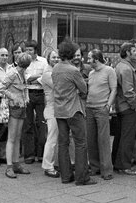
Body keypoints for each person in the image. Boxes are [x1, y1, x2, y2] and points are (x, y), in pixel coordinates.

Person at [52, 41, 96, 186]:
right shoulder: (73, 70)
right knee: (80, 143)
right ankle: (82, 177)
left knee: (63, 143)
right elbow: (83, 89)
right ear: (71, 54)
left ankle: (66, 176)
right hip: (73, 110)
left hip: (59, 110)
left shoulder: (56, 68)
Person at [0, 53, 32, 179]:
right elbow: (0, 88)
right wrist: (13, 96)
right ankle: (9, 167)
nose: (23, 69)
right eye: (23, 67)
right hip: (13, 107)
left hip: (22, 107)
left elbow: (25, 88)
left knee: (18, 137)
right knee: (12, 138)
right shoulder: (12, 73)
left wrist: (26, 98)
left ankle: (16, 164)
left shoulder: (21, 73)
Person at [86, 49, 117, 180]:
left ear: (96, 59)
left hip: (101, 108)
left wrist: (108, 105)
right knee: (91, 139)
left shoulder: (109, 71)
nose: (87, 61)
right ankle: (95, 167)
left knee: (103, 139)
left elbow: (114, 89)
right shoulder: (91, 73)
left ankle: (107, 170)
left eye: (89, 58)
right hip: (90, 107)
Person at [113, 42, 136, 176]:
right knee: (128, 137)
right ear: (127, 52)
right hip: (127, 107)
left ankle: (116, 162)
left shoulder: (119, 66)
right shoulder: (126, 68)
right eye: (133, 50)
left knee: (120, 136)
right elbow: (128, 91)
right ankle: (125, 165)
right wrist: (134, 105)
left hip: (121, 106)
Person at [22, 40, 48, 165]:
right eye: (26, 50)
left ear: (35, 50)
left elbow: (46, 77)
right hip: (27, 94)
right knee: (28, 124)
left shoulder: (43, 61)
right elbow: (24, 78)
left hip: (40, 94)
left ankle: (41, 153)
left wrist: (34, 79)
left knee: (41, 123)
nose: (28, 52)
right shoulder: (24, 62)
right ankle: (29, 154)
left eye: (30, 50)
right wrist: (37, 77)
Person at [40, 50, 61, 178]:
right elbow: (59, 87)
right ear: (48, 59)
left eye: (58, 57)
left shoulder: (56, 71)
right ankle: (48, 166)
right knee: (52, 138)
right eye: (53, 57)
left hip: (58, 108)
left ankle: (55, 164)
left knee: (57, 138)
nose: (56, 59)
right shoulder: (47, 74)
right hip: (52, 108)